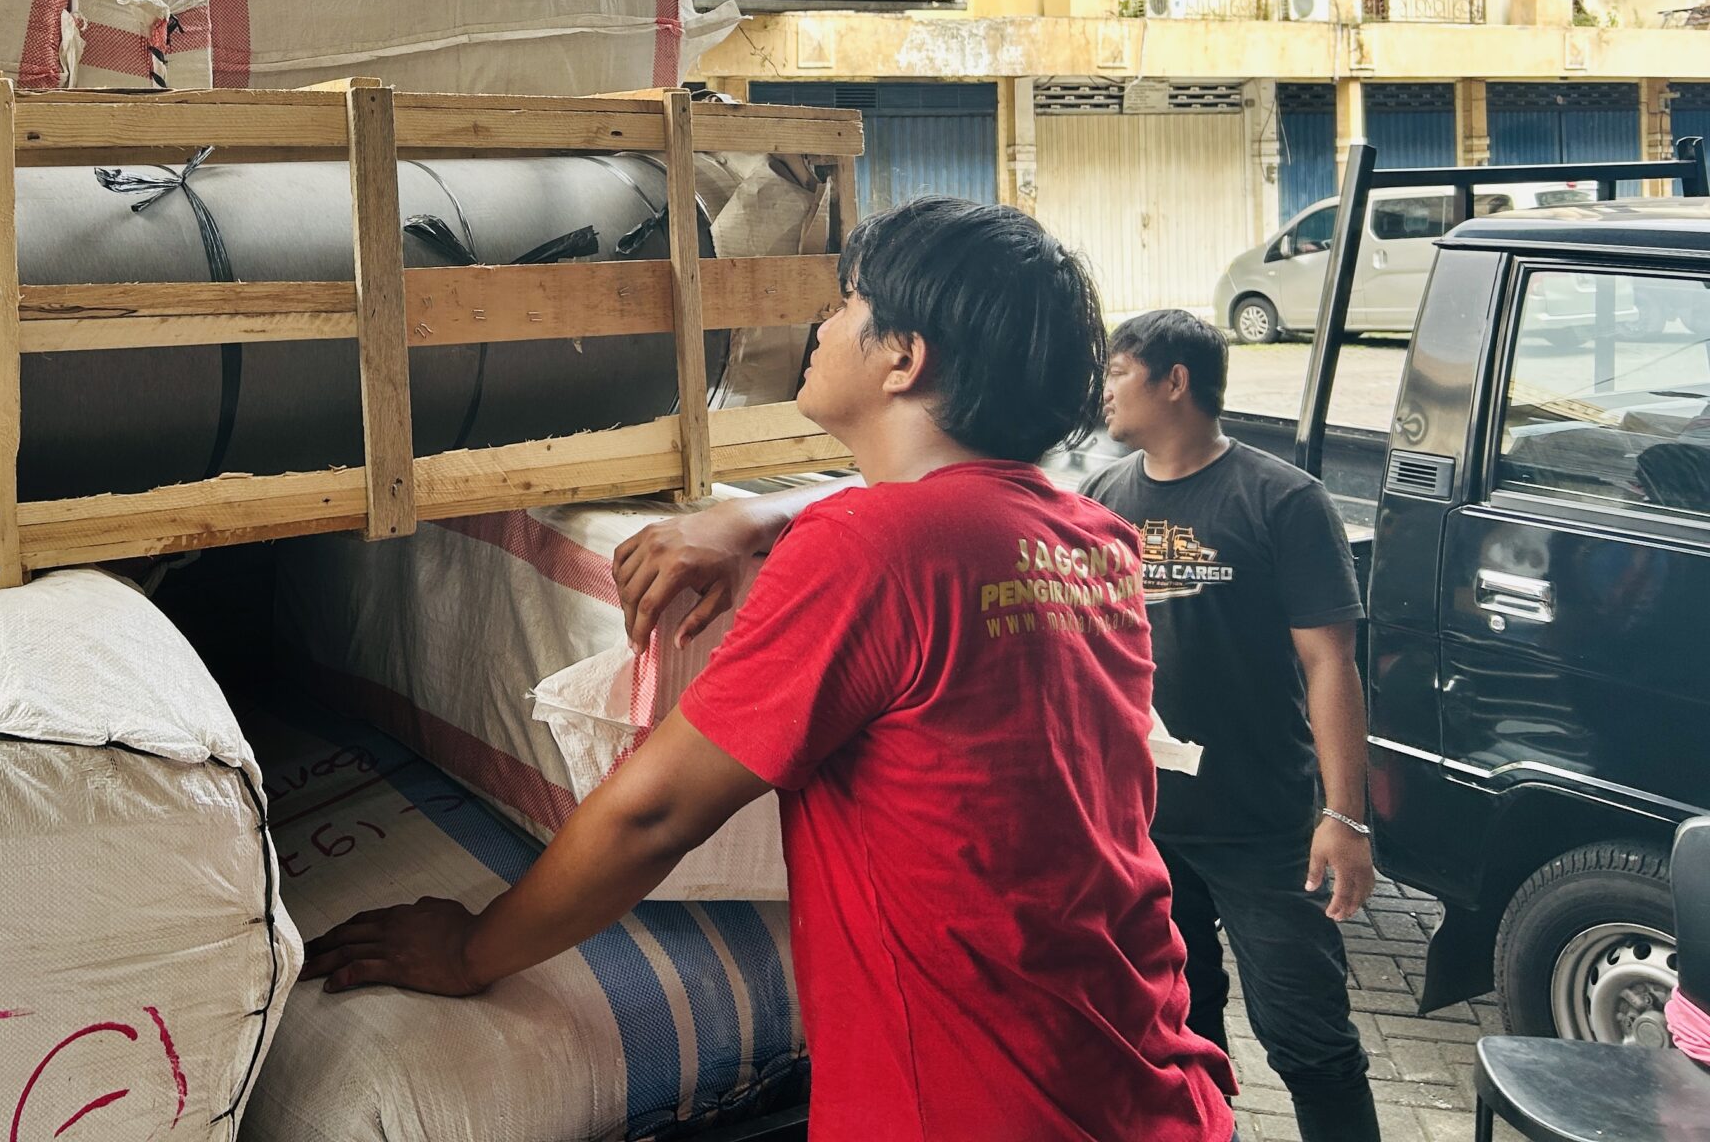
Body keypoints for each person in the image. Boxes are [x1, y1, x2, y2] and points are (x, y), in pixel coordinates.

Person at [304, 198, 1237, 1141]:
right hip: (1149, 1078)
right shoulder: (1093, 540)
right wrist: (757, 514)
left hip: (972, 1108)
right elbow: (942, 517)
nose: (821, 325)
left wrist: (469, 949)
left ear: (904, 358)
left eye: (847, 301)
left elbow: (655, 814)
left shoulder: (870, 549)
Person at [1089, 309, 1380, 1142]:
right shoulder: (1103, 498)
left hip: (1263, 825)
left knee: (1311, 1042)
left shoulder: (1282, 499)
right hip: (1145, 828)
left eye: (1118, 371)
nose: (1104, 389)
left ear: (1174, 381)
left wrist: (1345, 815)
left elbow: (1330, 663)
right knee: (1181, 1032)